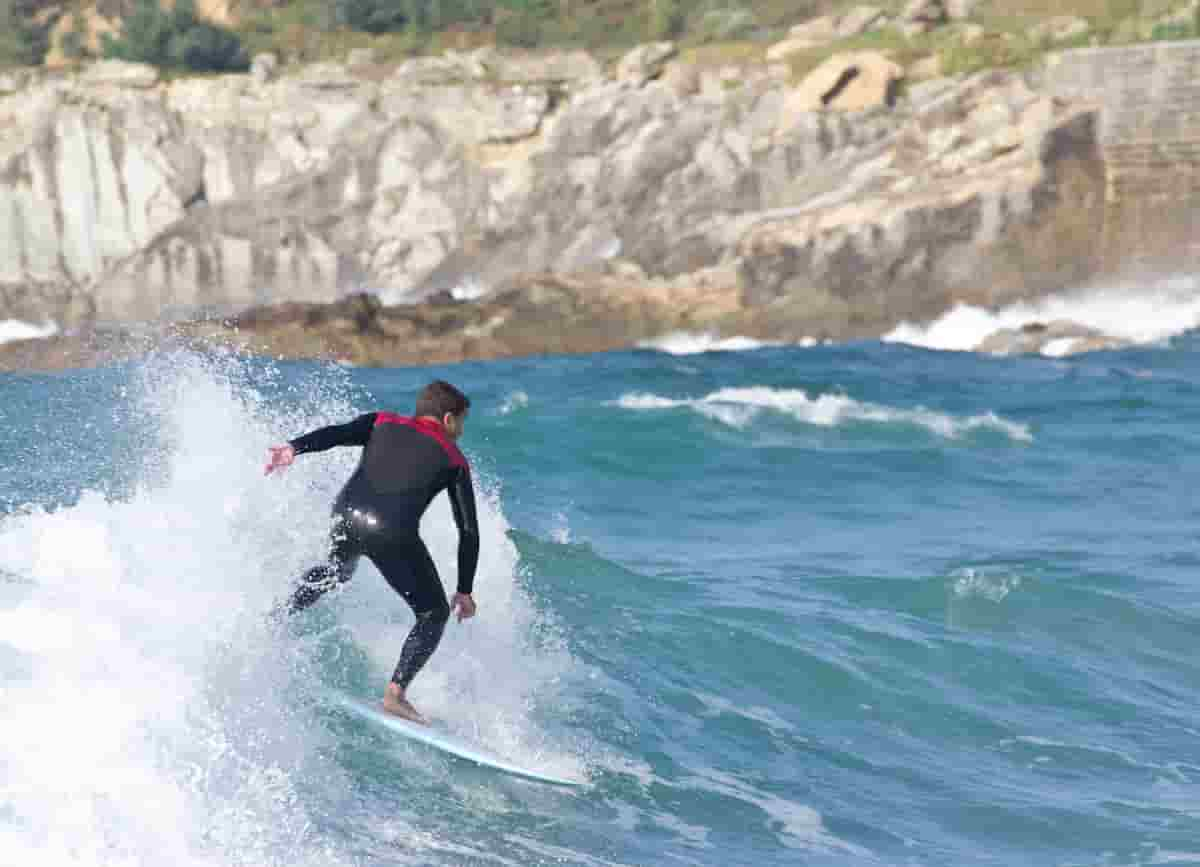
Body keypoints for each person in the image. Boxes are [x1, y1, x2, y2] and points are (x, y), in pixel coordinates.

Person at [264, 379, 479, 725]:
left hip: (346, 515)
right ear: (449, 419)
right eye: (463, 422)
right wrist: (465, 589)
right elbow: (468, 530)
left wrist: (293, 447)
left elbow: (336, 433)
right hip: (391, 531)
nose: (462, 432)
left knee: (338, 570)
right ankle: (396, 694)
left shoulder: (382, 420)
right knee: (433, 613)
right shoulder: (454, 459)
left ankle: (272, 619)